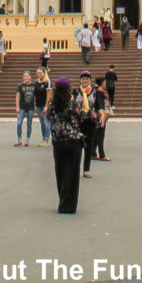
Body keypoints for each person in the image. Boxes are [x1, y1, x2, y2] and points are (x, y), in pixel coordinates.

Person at [47, 77, 83, 213]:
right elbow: (82, 117)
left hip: (58, 142)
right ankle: (69, 205)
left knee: (60, 172)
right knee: (72, 173)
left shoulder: (51, 106)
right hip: (73, 141)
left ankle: (62, 200)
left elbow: (48, 118)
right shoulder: (72, 104)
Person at [76, 71, 100, 177]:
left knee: (88, 146)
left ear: (90, 81)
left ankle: (86, 169)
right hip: (78, 122)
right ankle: (75, 169)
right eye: (83, 78)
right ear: (80, 80)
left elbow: (99, 105)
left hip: (90, 122)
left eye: (87, 79)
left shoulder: (95, 92)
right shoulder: (75, 92)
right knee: (77, 146)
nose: (84, 80)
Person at [92, 76, 111, 161]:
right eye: (105, 82)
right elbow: (100, 105)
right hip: (100, 116)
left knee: (96, 135)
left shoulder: (96, 91)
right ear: (102, 83)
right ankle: (101, 154)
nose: (105, 84)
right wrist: (103, 115)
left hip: (97, 116)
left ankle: (93, 152)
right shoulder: (100, 92)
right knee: (100, 136)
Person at [15, 70, 35, 147]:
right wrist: (17, 106)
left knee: (29, 124)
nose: (26, 77)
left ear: (30, 77)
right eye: (24, 76)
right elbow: (17, 96)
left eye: (27, 76)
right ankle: (19, 140)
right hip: (22, 107)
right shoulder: (20, 86)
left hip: (30, 107)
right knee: (19, 123)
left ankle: (27, 140)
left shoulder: (33, 85)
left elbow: (37, 95)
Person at [34, 67, 52, 146]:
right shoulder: (36, 82)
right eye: (38, 73)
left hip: (45, 105)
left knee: (46, 122)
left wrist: (46, 106)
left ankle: (46, 139)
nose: (39, 74)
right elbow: (35, 94)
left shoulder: (47, 82)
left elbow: (49, 94)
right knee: (42, 123)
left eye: (40, 73)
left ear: (44, 73)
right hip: (38, 105)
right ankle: (43, 138)